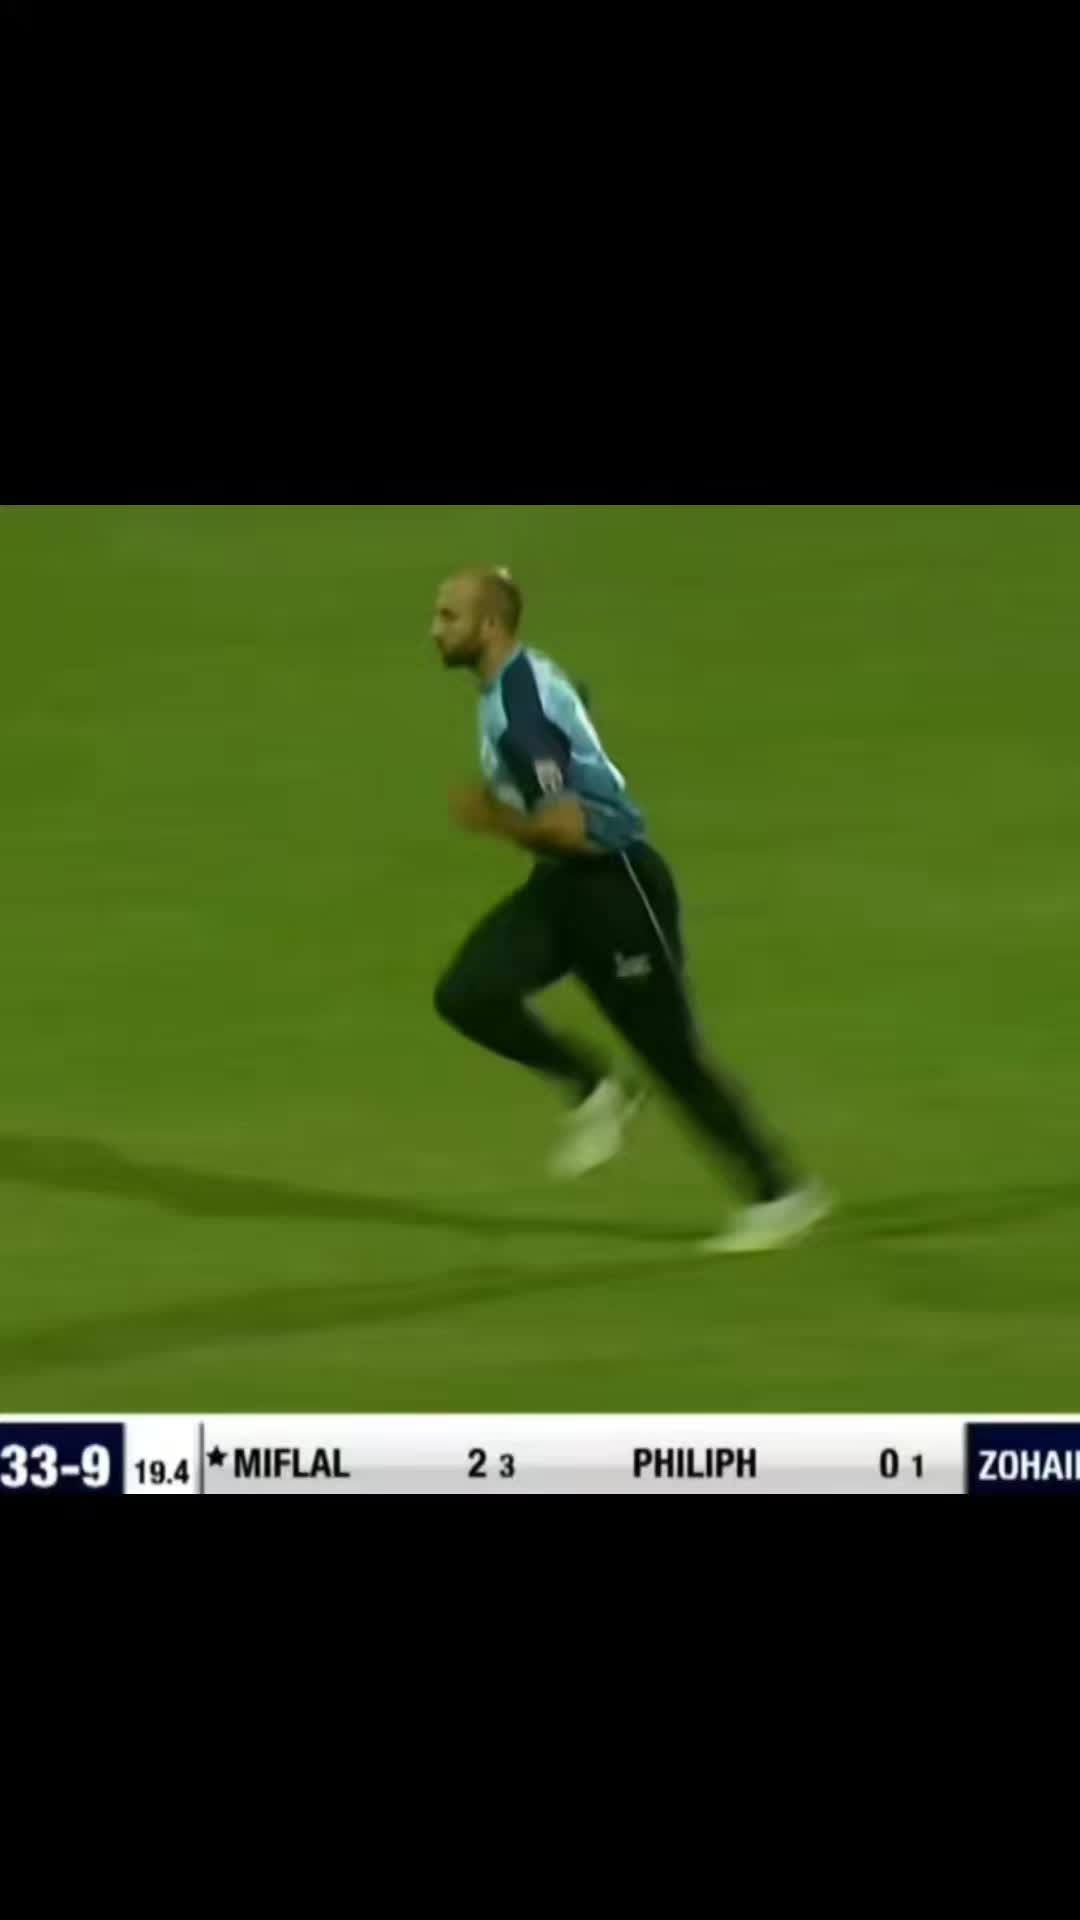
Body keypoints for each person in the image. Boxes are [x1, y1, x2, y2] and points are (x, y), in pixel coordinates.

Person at [431, 567, 829, 1252]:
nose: (434, 630)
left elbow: (568, 827)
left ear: (489, 627)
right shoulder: (520, 677)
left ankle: (782, 1195)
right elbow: (571, 709)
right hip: (562, 889)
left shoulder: (521, 715)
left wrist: (494, 818)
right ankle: (594, 1087)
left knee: (671, 1054)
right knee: (468, 993)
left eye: (449, 617)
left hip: (616, 892)